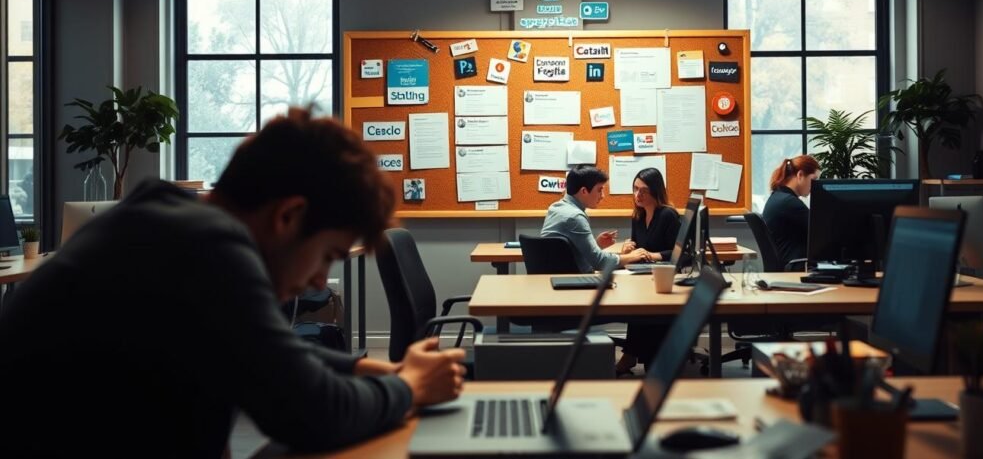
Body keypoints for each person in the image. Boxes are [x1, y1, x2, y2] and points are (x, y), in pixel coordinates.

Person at [0, 108, 466, 458]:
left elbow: (259, 346)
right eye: (326, 257)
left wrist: (368, 371)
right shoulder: (209, 248)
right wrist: (410, 389)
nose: (320, 280)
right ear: (288, 216)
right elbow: (312, 415)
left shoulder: (168, 224)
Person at [617, 168, 681, 375]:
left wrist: (654, 255)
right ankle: (632, 353)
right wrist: (628, 247)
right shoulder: (638, 216)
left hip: (662, 274)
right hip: (642, 273)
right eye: (635, 189)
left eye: (643, 191)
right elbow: (638, 247)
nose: (638, 195)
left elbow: (681, 253)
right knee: (635, 301)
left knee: (645, 305)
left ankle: (634, 355)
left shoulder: (668, 215)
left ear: (656, 191)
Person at [540, 164, 647, 272]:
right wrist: (632, 256)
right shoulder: (575, 217)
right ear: (584, 191)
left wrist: (597, 245)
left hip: (555, 279)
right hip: (575, 281)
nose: (602, 196)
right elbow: (600, 262)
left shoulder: (555, 208)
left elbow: (567, 254)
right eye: (599, 190)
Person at [761, 154, 821, 267]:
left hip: (791, 265)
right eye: (813, 180)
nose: (815, 186)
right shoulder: (789, 203)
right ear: (800, 175)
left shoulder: (778, 198)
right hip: (798, 267)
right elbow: (821, 232)